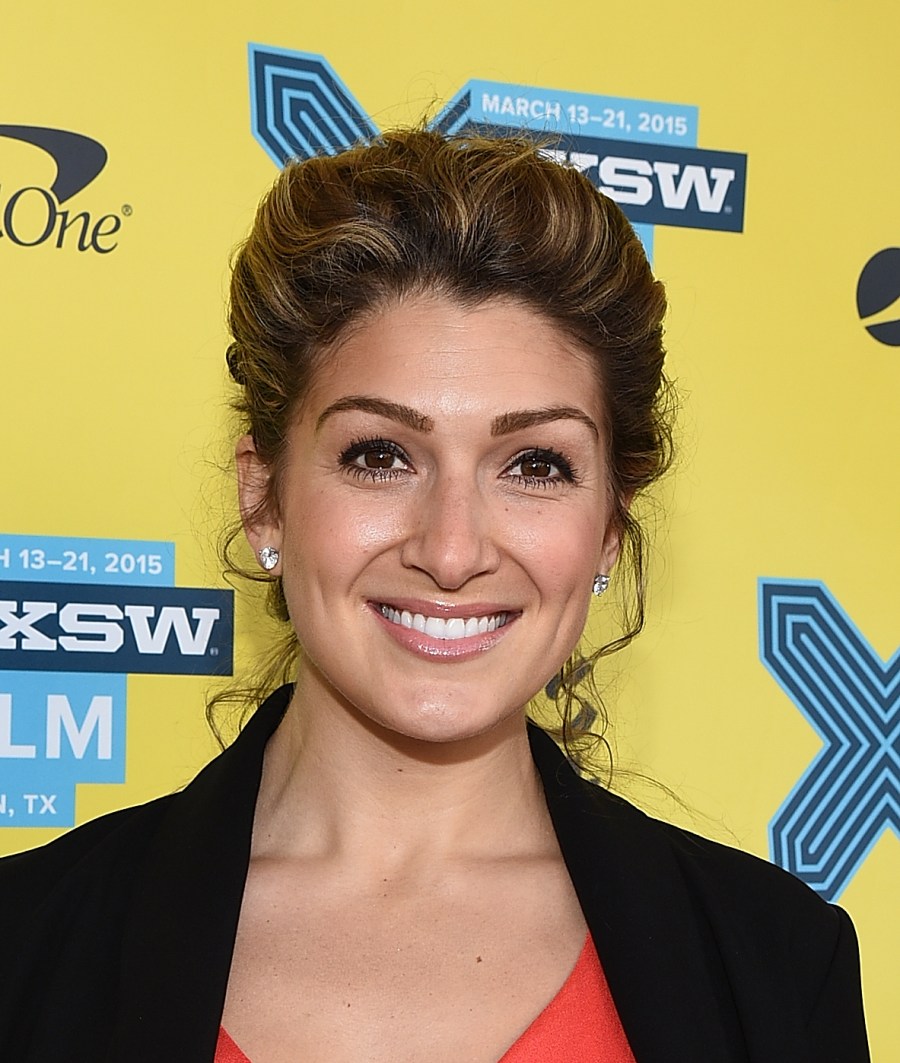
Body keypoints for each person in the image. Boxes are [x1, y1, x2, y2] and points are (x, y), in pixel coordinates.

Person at [0, 128, 869, 1063]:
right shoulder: (26, 949)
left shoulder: (778, 966)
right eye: (380, 455)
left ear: (609, 526)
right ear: (266, 496)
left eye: (536, 464)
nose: (452, 550)